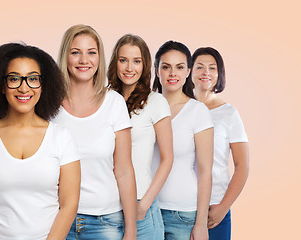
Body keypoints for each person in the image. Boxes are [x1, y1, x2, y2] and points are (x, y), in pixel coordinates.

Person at [0, 43, 81, 240]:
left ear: (43, 85)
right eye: (14, 79)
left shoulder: (62, 138)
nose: (24, 87)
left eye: (33, 79)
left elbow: (69, 205)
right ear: (1, 85)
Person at [53, 25, 137, 240]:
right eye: (75, 52)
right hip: (57, 219)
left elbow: (124, 170)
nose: (84, 60)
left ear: (99, 58)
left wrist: (131, 230)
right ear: (65, 57)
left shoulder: (114, 103)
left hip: (105, 221)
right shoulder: (48, 106)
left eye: (91, 52)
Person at [107, 34, 173, 239]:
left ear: (144, 66)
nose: (129, 68)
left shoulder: (156, 102)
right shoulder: (105, 100)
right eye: (123, 60)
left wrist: (145, 203)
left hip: (140, 203)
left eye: (136, 61)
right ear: (114, 63)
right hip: (107, 204)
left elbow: (168, 158)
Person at [152, 40, 214, 240]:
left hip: (183, 215)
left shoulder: (197, 112)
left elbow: (205, 171)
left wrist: (201, 223)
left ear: (188, 71)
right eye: (166, 67)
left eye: (179, 67)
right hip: (146, 211)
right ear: (156, 70)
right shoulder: (144, 107)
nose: (172, 74)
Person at [191, 47, 250, 240]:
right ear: (190, 71)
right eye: (199, 67)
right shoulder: (178, 108)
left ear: (219, 74)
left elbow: (242, 166)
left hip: (214, 210)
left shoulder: (229, 114)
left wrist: (223, 208)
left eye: (212, 68)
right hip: (179, 207)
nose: (205, 72)